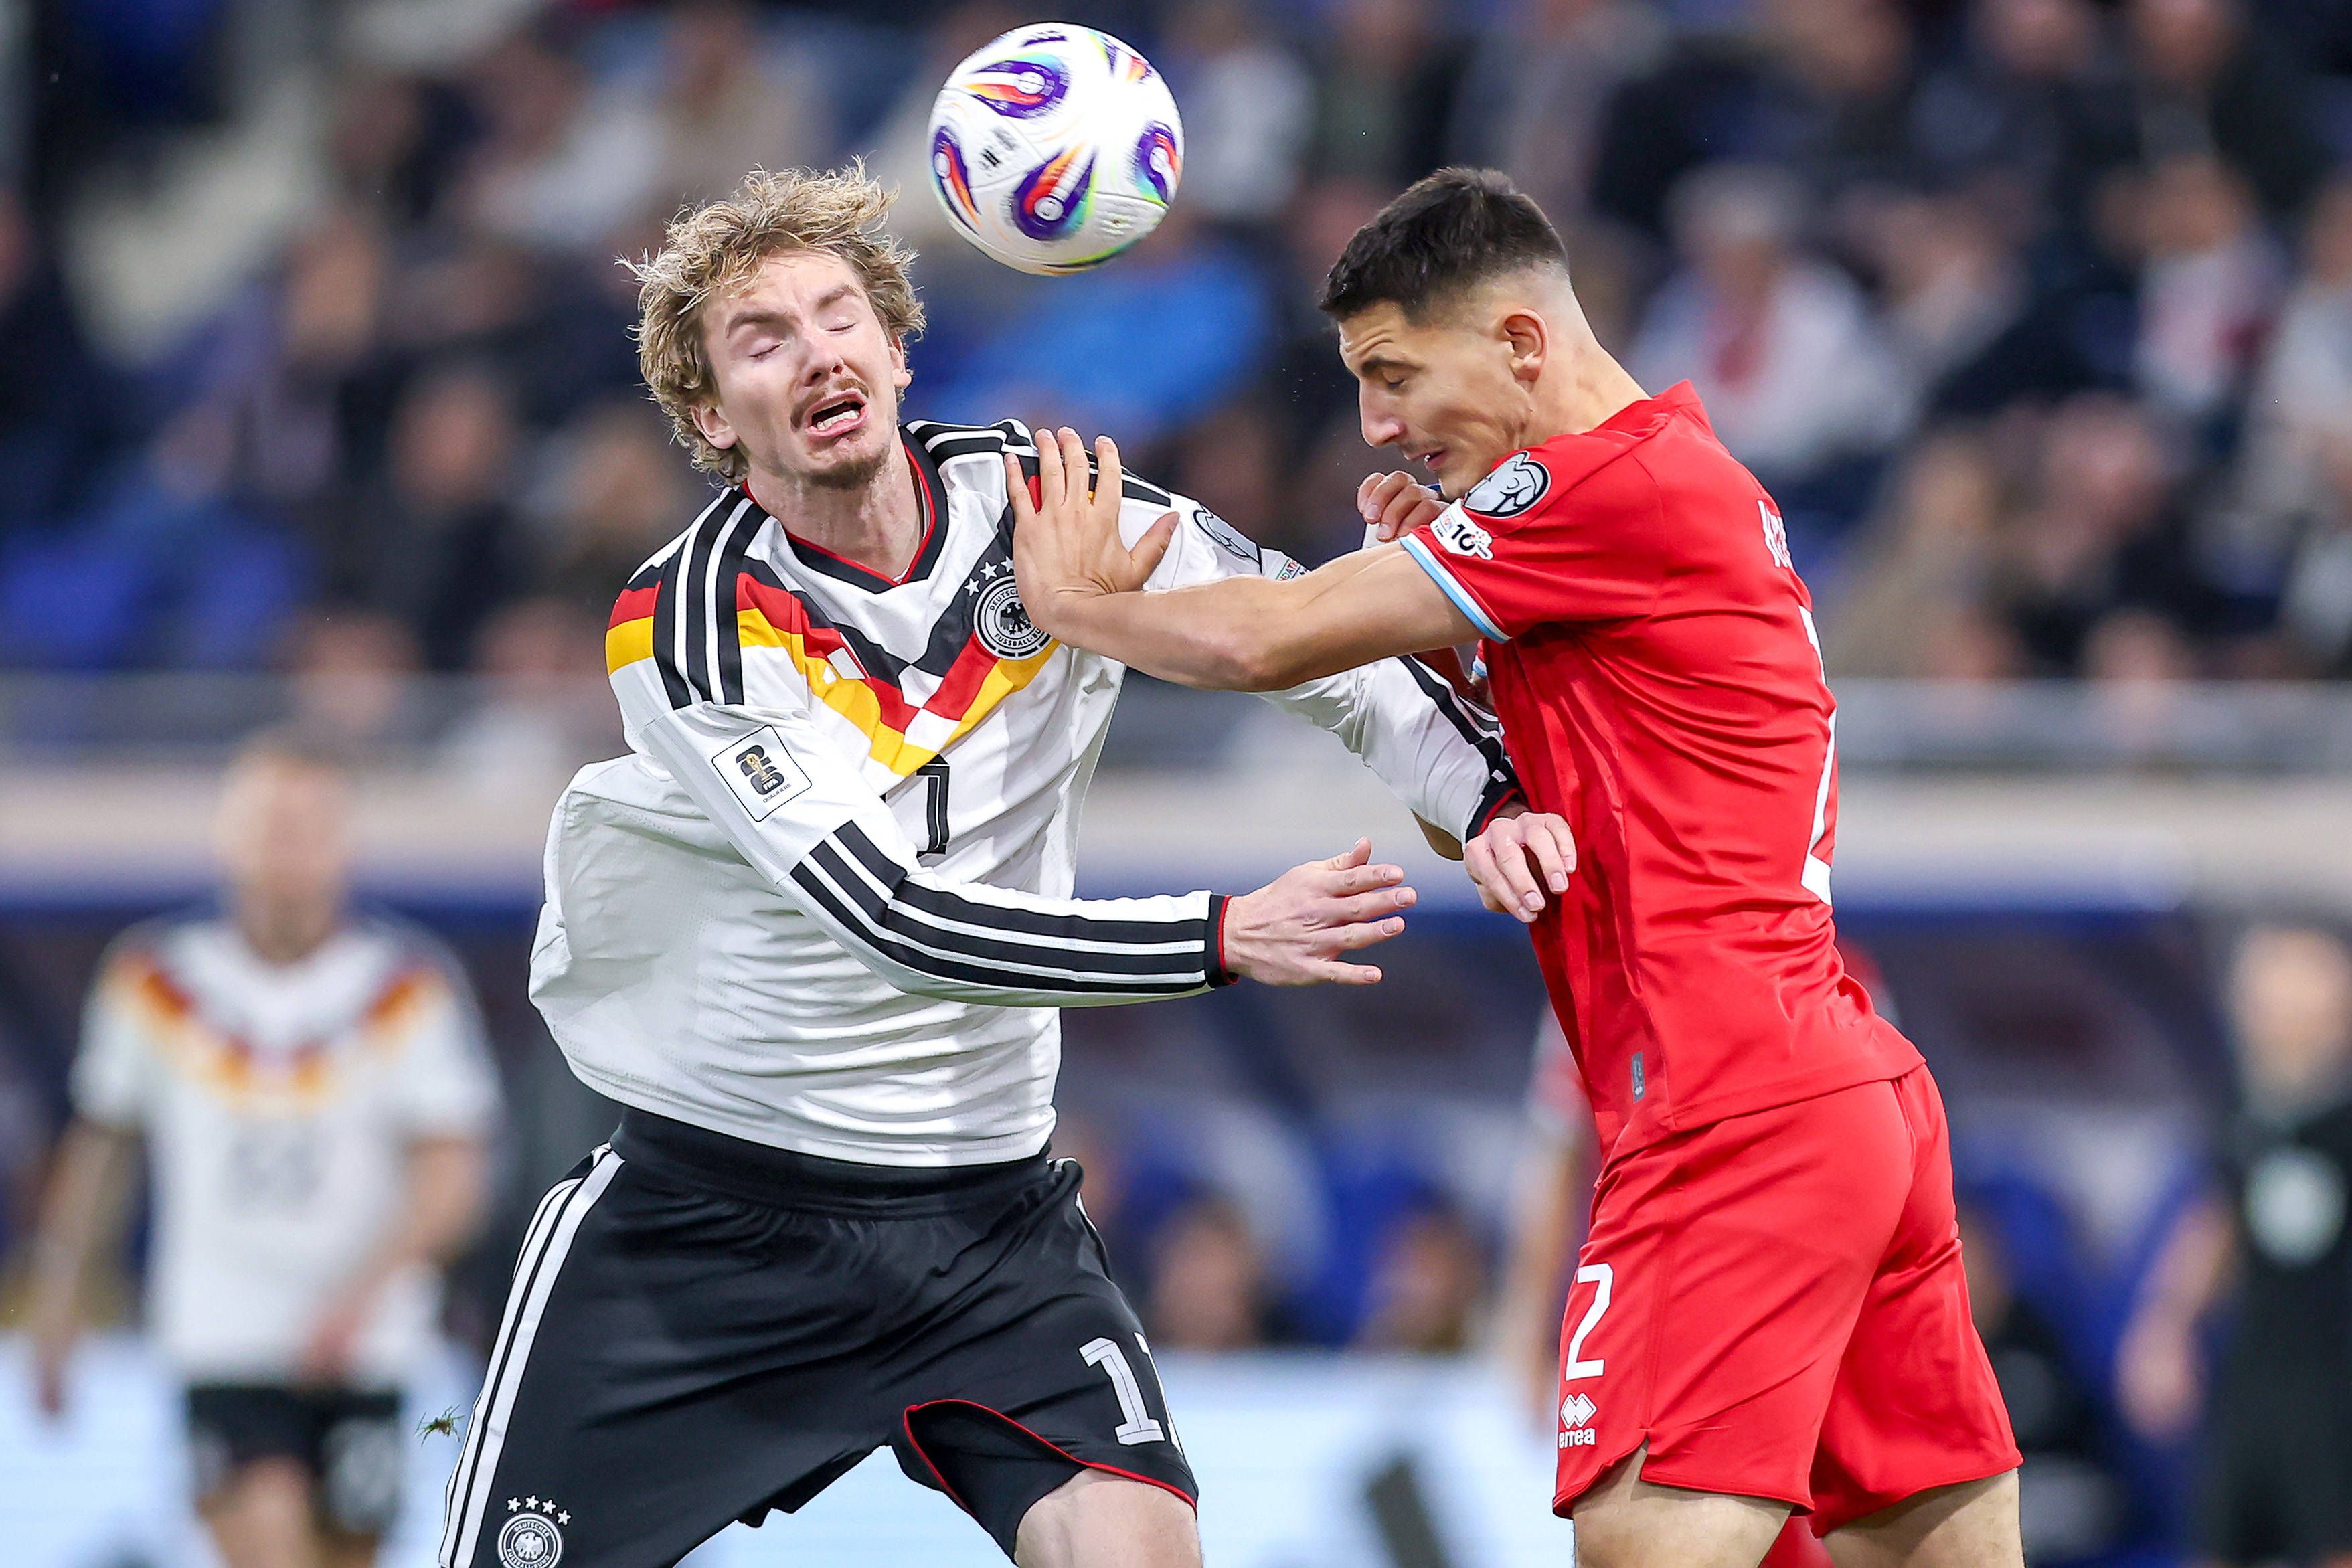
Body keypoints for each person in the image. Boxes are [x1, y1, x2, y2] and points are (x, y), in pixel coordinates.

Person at [438, 165, 1525, 1568]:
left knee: (1139, 1549)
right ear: (711, 416)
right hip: (709, 1221)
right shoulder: (693, 624)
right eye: (762, 338)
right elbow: (890, 918)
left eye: (842, 316)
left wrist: (1483, 792)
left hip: (981, 1219)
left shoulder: (1055, 507)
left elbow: (1303, 642)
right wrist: (1214, 934)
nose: (818, 349)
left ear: (897, 350)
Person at [1009, 167, 2022, 1567]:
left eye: (1392, 372)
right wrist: (1457, 648)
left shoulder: (1602, 482)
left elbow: (1271, 637)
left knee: (1636, 1544)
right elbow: (1543, 777)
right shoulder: (1671, 485)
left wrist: (1068, 602)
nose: (1374, 421)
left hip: (1725, 1105)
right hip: (1841, 1092)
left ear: (1520, 344)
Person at [25, 733, 499, 1568]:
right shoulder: (153, 979)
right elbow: (104, 1148)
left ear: (344, 845)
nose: (287, 850)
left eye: (307, 827)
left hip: (369, 1350)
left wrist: (368, 1290)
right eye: (268, 826)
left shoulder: (407, 988)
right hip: (223, 1340)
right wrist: (59, 1298)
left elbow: (454, 1171)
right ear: (226, 840)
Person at [2115, 922, 2352, 1568]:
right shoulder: (2247, 1110)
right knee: (2219, 1537)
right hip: (2257, 1372)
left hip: (2339, 1375)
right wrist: (2163, 1329)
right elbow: (2217, 1221)